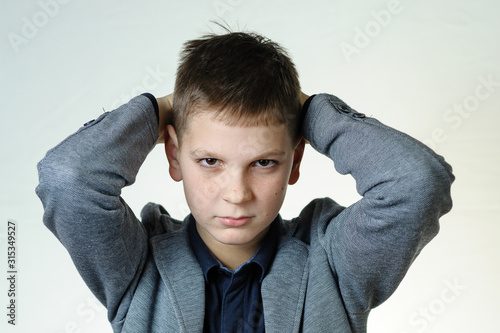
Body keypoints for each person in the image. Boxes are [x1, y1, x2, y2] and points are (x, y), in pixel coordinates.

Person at [36, 30, 454, 333]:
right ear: (174, 155)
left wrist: (311, 110)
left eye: (264, 162)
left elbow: (417, 183)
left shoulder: (333, 263)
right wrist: (163, 108)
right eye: (211, 160)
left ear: (295, 161)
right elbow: (68, 178)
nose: (236, 194)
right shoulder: (136, 266)